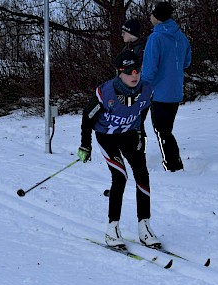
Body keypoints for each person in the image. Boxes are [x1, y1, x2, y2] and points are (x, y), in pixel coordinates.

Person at [77, 50, 161, 249]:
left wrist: (141, 134)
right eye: (128, 71)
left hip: (130, 135)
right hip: (107, 137)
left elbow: (142, 113)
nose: (134, 75)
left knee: (142, 174)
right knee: (120, 176)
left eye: (137, 70)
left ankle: (145, 226)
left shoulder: (147, 89)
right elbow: (87, 117)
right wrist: (85, 144)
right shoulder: (106, 93)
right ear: (119, 73)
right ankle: (112, 228)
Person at [142, 2, 191, 172]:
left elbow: (149, 69)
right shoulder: (181, 37)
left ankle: (173, 164)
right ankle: (173, 162)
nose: (150, 17)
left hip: (159, 93)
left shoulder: (156, 38)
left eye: (152, 14)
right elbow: (187, 62)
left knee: (161, 130)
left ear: (157, 17)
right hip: (176, 91)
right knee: (166, 129)